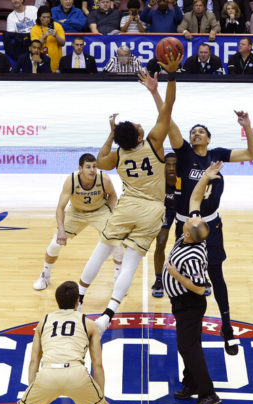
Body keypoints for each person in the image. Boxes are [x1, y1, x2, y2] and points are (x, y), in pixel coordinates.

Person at [139, 69, 253, 356]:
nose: (195, 133)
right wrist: (156, 92)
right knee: (179, 275)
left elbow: (252, 154)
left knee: (217, 276)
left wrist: (247, 126)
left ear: (208, 138)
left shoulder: (217, 155)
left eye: (200, 131)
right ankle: (185, 325)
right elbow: (168, 122)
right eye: (193, 131)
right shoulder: (183, 152)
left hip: (211, 225)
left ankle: (227, 326)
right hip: (184, 225)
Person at [76, 52, 183, 335]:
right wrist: (167, 79)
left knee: (102, 251)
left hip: (128, 206)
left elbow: (99, 160)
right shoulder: (154, 142)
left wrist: (111, 134)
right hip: (153, 210)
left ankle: (78, 301)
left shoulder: (119, 156)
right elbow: (168, 108)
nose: (140, 126)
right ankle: (108, 315)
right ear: (139, 137)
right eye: (137, 127)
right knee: (132, 262)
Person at [0, 282, 119, 404]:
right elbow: (98, 364)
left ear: (57, 301)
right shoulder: (89, 324)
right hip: (76, 374)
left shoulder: (44, 322)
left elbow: (34, 361)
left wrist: (30, 391)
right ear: (77, 301)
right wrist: (101, 397)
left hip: (48, 374)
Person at [165, 161, 223, 404]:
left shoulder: (193, 257)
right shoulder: (193, 232)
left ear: (188, 235)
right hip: (182, 304)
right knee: (187, 345)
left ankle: (208, 393)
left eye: (188, 223)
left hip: (189, 304)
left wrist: (175, 274)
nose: (188, 219)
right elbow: (195, 199)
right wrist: (207, 177)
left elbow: (201, 289)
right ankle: (190, 383)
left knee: (189, 347)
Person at [33, 154, 121, 291]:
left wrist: (108, 211)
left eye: (94, 166)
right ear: (80, 169)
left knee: (116, 240)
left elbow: (113, 195)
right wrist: (61, 230)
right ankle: (45, 275)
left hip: (99, 211)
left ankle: (118, 277)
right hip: (76, 212)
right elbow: (60, 208)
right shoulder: (71, 180)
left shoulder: (104, 179)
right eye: (88, 167)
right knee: (55, 243)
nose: (92, 170)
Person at [151, 152, 179, 298]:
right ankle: (158, 279)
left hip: (182, 209)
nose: (171, 167)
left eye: (174, 164)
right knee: (160, 241)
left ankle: (193, 275)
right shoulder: (158, 179)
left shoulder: (183, 177)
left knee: (189, 242)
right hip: (166, 211)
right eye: (168, 164)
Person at [29, 5, 64, 73]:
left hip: (56, 62)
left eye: (48, 17)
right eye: (44, 17)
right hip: (40, 62)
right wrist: (45, 35)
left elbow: (62, 43)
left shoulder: (57, 26)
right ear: (39, 17)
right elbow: (36, 47)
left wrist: (55, 35)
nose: (46, 20)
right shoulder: (34, 29)